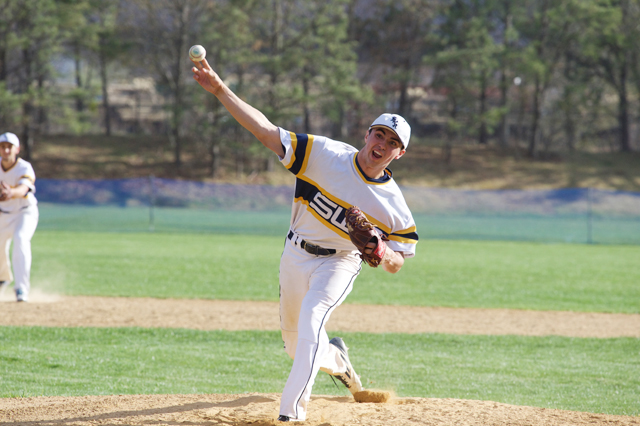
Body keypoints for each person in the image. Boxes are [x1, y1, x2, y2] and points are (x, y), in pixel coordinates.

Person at [191, 58, 418, 422]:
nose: (383, 144)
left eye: (393, 142)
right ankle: (338, 360)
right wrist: (219, 90)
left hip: (340, 261)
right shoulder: (323, 154)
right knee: (296, 346)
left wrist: (381, 249)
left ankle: (291, 414)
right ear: (367, 135)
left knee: (314, 318)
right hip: (295, 254)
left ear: (399, 154)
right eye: (379, 134)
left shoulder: (394, 206)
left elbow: (397, 262)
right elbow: (265, 131)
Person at [0, 132, 39, 302]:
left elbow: (24, 189)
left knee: (20, 238)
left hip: (25, 212)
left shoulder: (24, 167)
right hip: (3, 213)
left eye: (10, 147)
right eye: (3, 147)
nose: (6, 150)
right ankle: (3, 278)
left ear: (17, 149)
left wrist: (11, 192)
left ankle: (21, 288)